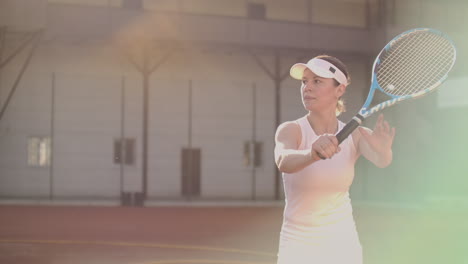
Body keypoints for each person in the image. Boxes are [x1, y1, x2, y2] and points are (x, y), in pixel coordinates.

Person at [274, 55, 395, 264]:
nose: (307, 88)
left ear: (340, 90)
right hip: (297, 242)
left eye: (317, 81)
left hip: (342, 241)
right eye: (305, 82)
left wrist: (384, 150)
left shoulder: (357, 134)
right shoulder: (291, 130)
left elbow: (381, 161)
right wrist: (311, 153)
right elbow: (283, 160)